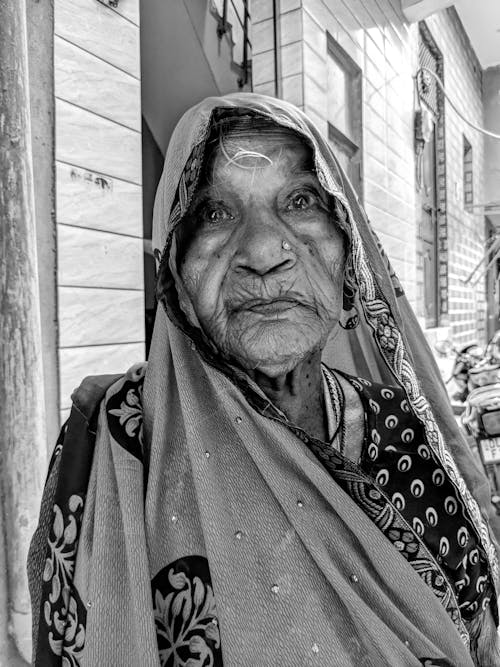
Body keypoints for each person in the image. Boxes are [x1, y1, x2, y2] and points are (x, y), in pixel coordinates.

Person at [28, 93, 499, 666]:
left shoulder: (404, 434)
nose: (262, 252)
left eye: (300, 200)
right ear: (174, 267)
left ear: (349, 254)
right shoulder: (117, 443)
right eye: (215, 213)